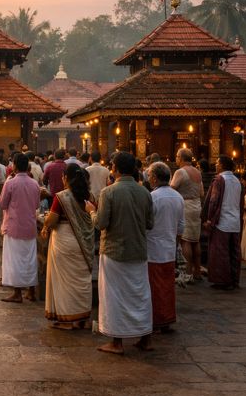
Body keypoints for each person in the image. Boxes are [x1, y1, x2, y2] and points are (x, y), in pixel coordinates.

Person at [86, 151, 154, 354]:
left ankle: (117, 342)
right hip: (138, 249)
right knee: (139, 294)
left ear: (115, 169)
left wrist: (91, 211)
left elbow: (101, 223)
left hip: (114, 250)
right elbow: (150, 223)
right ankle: (145, 337)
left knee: (114, 296)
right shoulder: (144, 192)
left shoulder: (109, 192)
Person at [40, 163, 94, 328]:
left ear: (66, 178)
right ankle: (81, 317)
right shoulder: (89, 196)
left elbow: (52, 220)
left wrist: (45, 223)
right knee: (81, 279)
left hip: (64, 240)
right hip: (84, 243)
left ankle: (68, 320)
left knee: (65, 282)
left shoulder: (62, 197)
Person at [147, 162, 184, 332]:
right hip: (169, 247)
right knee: (167, 286)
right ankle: (167, 319)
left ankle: (157, 320)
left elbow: (147, 224)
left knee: (155, 287)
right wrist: (175, 243)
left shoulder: (153, 197)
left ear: (155, 178)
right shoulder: (178, 197)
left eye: (149, 176)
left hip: (153, 248)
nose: (148, 178)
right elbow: (181, 227)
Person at [0, 154, 41, 303]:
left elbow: (2, 204)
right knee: (29, 259)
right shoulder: (34, 184)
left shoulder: (10, 183)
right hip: (29, 226)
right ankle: (31, 291)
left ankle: (17, 293)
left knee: (14, 260)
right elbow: (37, 205)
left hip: (14, 226)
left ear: (15, 166)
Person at [202, 155, 243, 290]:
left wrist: (209, 219)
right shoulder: (237, 180)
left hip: (221, 221)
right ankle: (234, 279)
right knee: (234, 252)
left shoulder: (219, 179)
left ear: (222, 165)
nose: (216, 165)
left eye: (217, 163)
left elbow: (213, 200)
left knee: (220, 252)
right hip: (235, 221)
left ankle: (223, 280)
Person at [170, 148, 204, 282]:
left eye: (177, 156)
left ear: (181, 158)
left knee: (186, 240)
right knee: (195, 240)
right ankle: (197, 271)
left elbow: (171, 188)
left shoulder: (180, 172)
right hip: (196, 205)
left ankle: (188, 273)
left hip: (185, 206)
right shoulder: (198, 172)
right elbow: (201, 193)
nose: (176, 159)